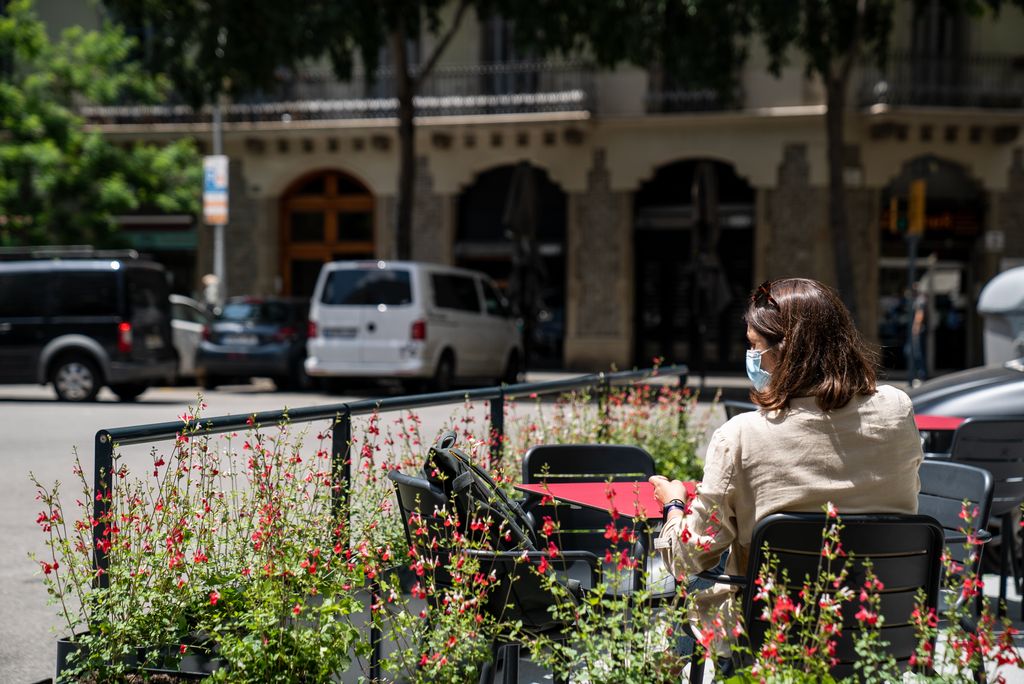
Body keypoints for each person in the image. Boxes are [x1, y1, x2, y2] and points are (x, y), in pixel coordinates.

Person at [649, 277, 923, 665]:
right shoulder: (897, 410)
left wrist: (673, 505)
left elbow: (689, 557)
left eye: (755, 347)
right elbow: (905, 499)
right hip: (877, 627)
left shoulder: (741, 436)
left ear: (786, 352)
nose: (751, 357)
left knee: (684, 608)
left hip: (771, 638)